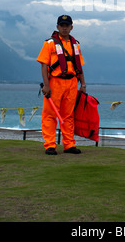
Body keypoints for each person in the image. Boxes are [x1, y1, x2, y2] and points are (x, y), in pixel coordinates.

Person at [36, 15, 86, 155]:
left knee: (68, 115)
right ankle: (50, 145)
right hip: (55, 82)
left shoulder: (76, 44)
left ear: (71, 27)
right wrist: (46, 85)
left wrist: (83, 84)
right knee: (50, 115)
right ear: (57, 27)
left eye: (67, 25)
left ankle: (69, 144)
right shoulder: (49, 43)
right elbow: (44, 65)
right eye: (62, 25)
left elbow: (79, 67)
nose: (64, 28)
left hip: (72, 82)